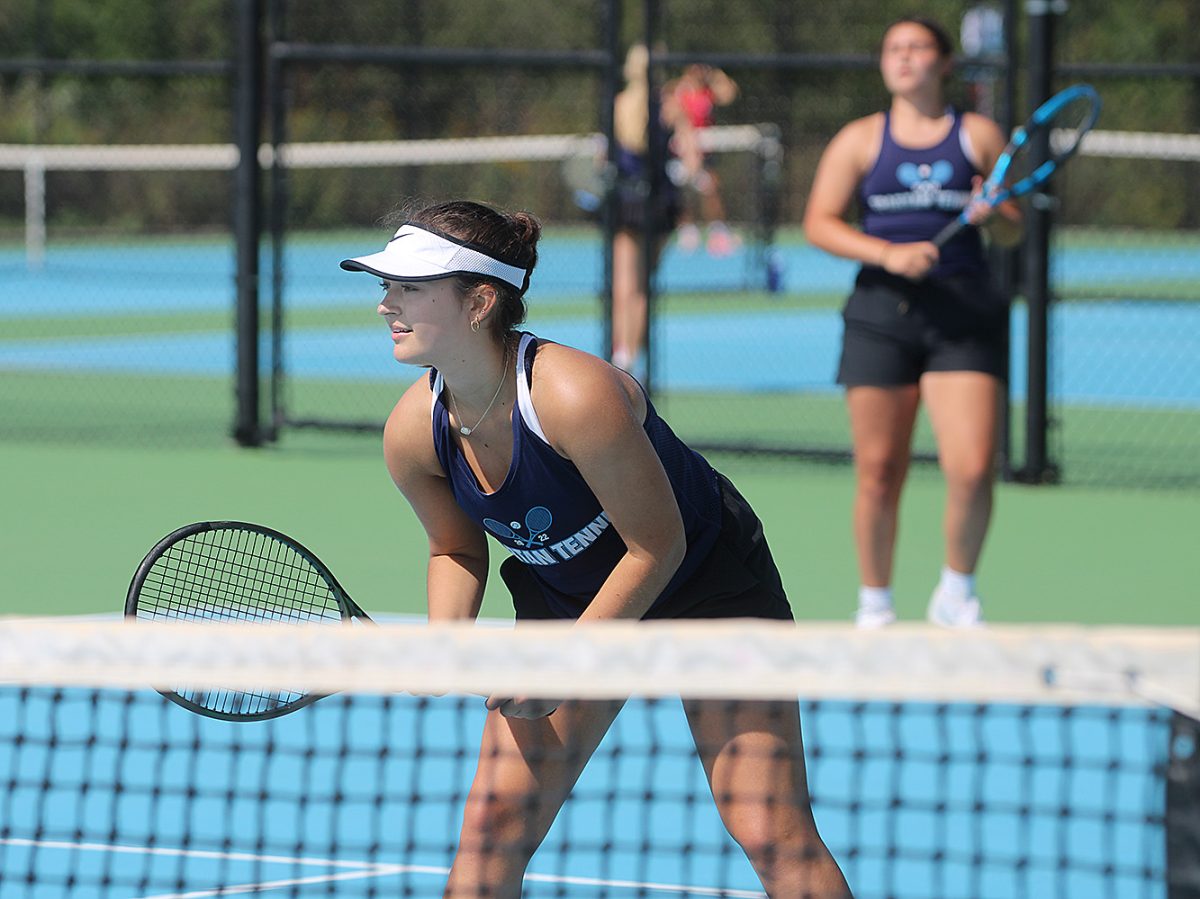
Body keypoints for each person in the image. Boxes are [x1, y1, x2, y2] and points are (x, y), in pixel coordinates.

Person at [340, 199, 853, 898]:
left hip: (707, 586)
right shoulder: (413, 433)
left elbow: (656, 544)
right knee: (492, 830)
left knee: (770, 829)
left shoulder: (575, 395)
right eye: (386, 287)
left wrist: (570, 666)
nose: (386, 305)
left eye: (409, 288)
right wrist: (443, 641)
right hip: (567, 595)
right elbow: (455, 551)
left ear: (479, 301)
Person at [801, 16, 1022, 630]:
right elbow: (819, 222)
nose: (903, 57)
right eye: (892, 47)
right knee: (878, 473)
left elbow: (1013, 227)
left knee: (974, 467)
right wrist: (888, 254)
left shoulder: (978, 133)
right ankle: (875, 603)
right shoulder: (859, 140)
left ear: (944, 62)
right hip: (881, 317)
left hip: (963, 315)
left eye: (917, 47)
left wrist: (994, 210)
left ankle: (957, 591)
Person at [610, 44, 702, 381]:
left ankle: (620, 353)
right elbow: (692, 160)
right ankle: (631, 356)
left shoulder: (617, 105)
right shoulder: (671, 106)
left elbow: (601, 159)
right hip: (660, 204)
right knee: (643, 287)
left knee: (624, 284)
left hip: (625, 203)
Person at [670, 62, 741, 256]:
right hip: (682, 149)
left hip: (705, 149)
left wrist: (715, 75)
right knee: (682, 192)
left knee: (710, 190)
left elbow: (729, 94)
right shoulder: (679, 91)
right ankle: (687, 230)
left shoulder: (708, 92)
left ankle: (717, 231)